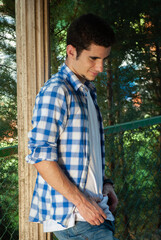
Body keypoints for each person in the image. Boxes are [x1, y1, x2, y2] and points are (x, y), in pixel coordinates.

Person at [26, 13, 119, 240]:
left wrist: (105, 184)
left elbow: (87, 153)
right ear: (71, 51)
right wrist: (83, 203)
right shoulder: (57, 91)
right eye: (93, 59)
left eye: (104, 59)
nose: (100, 67)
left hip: (94, 212)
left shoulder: (86, 90)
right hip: (77, 218)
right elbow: (41, 156)